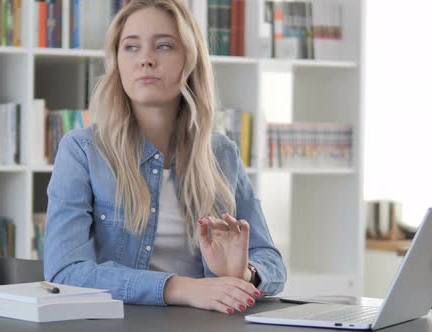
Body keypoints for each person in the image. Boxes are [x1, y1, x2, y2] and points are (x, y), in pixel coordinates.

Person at [44, 0, 286, 315]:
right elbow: (66, 271)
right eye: (130, 47)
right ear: (117, 61)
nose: (145, 59)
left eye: (164, 46)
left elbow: (272, 264)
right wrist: (183, 288)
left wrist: (242, 274)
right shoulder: (82, 150)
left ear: (190, 59)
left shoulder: (221, 154)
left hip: (209, 322)